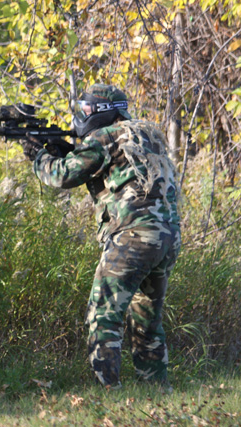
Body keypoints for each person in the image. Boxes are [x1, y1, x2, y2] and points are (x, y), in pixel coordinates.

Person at [22, 84, 181, 388]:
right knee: (146, 323)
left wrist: (38, 156)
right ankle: (158, 391)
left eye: (85, 110)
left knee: (103, 315)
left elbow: (62, 175)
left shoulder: (103, 137)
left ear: (102, 112)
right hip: (167, 237)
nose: (81, 116)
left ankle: (108, 391)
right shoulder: (145, 134)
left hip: (134, 237)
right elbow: (107, 168)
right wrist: (63, 149)